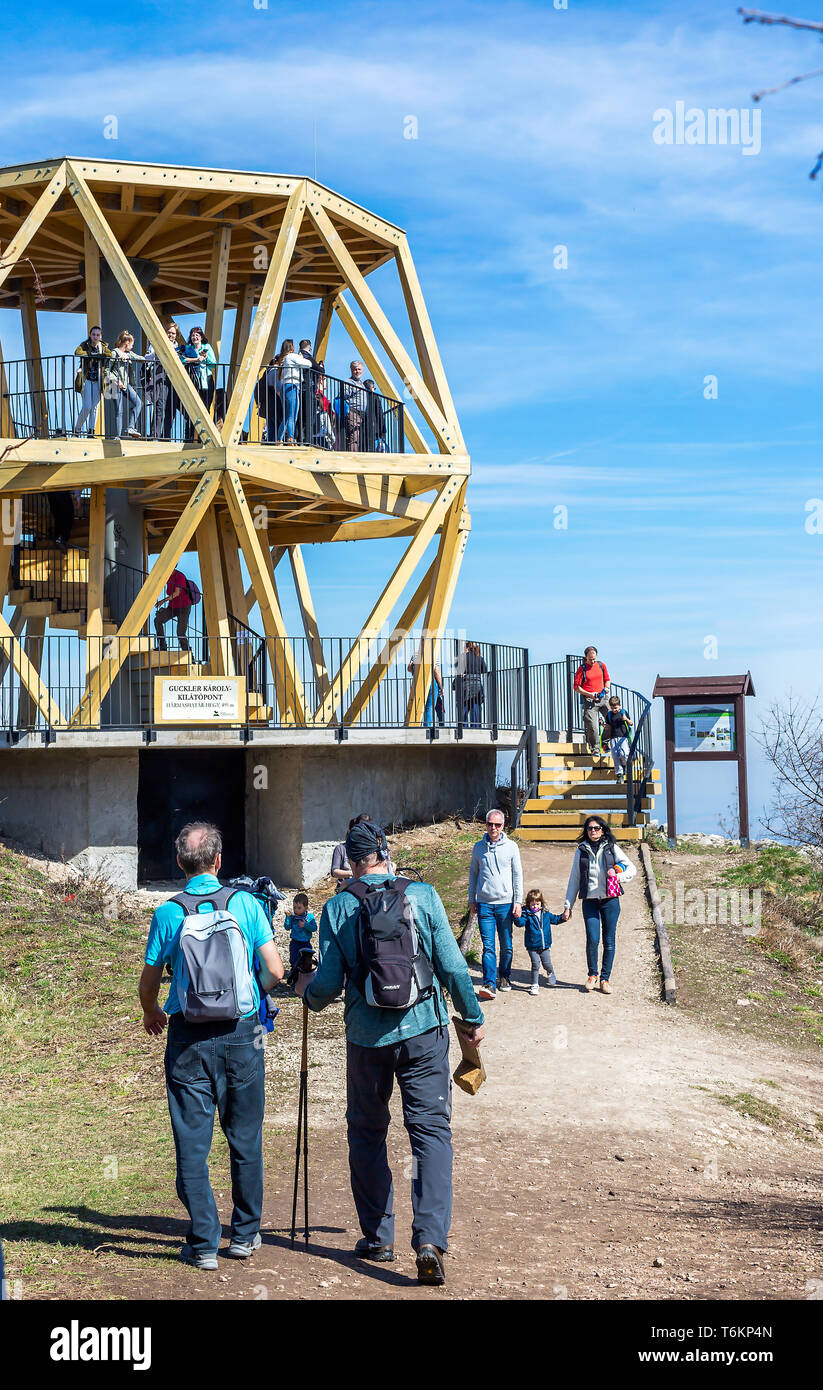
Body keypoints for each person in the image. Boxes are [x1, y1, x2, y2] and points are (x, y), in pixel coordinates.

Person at [296, 818, 484, 1286]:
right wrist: (473, 1019)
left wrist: (307, 995)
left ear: (349, 861)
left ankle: (379, 1236)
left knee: (366, 1131)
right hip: (424, 1030)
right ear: (384, 850)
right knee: (430, 1132)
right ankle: (429, 1240)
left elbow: (327, 984)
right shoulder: (421, 896)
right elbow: (453, 967)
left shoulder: (336, 909)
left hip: (366, 1039)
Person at [139, 822, 284, 1269]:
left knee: (192, 1143)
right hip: (243, 1035)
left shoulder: (168, 913)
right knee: (245, 1137)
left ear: (179, 862)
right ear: (218, 861)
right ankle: (244, 1235)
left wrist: (152, 1012)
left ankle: (203, 1243)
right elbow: (276, 971)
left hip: (187, 1039)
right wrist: (254, 999)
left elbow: (147, 983)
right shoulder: (245, 903)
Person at [560, 815, 637, 994]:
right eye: (589, 828)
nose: (593, 831)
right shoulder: (581, 851)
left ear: (603, 830)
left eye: (596, 828)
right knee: (593, 939)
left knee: (609, 940)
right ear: (586, 831)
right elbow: (575, 879)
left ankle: (605, 979)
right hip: (590, 902)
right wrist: (568, 905)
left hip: (610, 901)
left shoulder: (611, 848)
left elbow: (631, 868)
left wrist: (617, 877)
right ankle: (592, 975)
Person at [468, 809, 523, 1000]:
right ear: (486, 824)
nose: (493, 828)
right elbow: (473, 874)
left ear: (503, 826)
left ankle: (504, 976)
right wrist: (471, 899)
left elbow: (517, 876)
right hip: (484, 904)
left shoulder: (512, 847)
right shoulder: (478, 847)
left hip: (506, 904)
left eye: (497, 825)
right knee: (488, 946)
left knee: (506, 945)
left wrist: (518, 901)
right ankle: (489, 983)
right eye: (490, 824)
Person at [145, 320, 185, 440]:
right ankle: (154, 435)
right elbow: (147, 358)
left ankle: (166, 437)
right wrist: (156, 353)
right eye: (169, 332)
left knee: (171, 410)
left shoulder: (178, 348)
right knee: (160, 407)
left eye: (173, 333)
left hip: (173, 381)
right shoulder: (157, 344)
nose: (171, 335)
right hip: (160, 379)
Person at [104, 330, 146, 440]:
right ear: (127, 343)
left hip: (126, 384)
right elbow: (106, 371)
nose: (132, 347)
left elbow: (142, 359)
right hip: (114, 385)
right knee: (119, 410)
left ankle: (131, 427)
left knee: (139, 403)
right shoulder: (114, 353)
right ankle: (117, 436)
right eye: (132, 345)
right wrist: (116, 381)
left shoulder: (129, 354)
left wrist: (130, 357)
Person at [522, 889, 562, 995]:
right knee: (535, 964)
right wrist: (516, 916)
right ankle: (534, 985)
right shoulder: (527, 914)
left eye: (537, 904)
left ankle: (550, 972)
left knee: (547, 963)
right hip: (532, 946)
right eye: (532, 904)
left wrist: (564, 917)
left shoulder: (546, 914)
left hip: (544, 946)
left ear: (541, 903)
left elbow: (556, 919)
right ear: (528, 904)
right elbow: (520, 923)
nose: (535, 906)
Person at [573, 646, 611, 756]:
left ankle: (604, 743)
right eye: (590, 659)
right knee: (592, 725)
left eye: (594, 658)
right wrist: (590, 694)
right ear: (586, 657)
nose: (593, 661)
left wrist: (607, 688)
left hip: (603, 698)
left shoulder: (601, 665)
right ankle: (595, 748)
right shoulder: (582, 669)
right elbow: (576, 688)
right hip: (590, 700)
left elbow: (607, 679)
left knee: (612, 719)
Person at [73, 325, 111, 436]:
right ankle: (78, 428)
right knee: (87, 407)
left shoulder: (103, 346)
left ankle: (91, 431)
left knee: (95, 407)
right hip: (87, 379)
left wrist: (99, 355)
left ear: (101, 336)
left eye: (97, 335)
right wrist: (90, 355)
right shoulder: (85, 345)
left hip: (98, 380)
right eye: (93, 334)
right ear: (90, 335)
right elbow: (77, 352)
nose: (95, 337)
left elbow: (109, 354)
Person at [181, 326, 217, 440]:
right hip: (193, 381)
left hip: (207, 380)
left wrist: (205, 358)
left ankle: (204, 437)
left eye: (197, 335)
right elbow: (181, 359)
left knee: (206, 409)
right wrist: (196, 359)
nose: (194, 337)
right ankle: (189, 437)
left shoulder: (207, 347)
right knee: (191, 409)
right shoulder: (188, 348)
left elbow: (214, 364)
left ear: (201, 337)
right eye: (192, 335)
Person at [274, 339, 311, 444]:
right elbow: (308, 364)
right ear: (292, 346)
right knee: (292, 415)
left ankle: (279, 439)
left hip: (284, 387)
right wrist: (301, 357)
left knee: (286, 416)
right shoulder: (292, 356)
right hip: (292, 387)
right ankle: (290, 438)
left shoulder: (283, 359)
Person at [154, 567, 194, 652]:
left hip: (184, 607)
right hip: (172, 606)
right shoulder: (167, 576)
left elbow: (177, 593)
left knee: (180, 633)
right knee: (158, 620)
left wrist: (162, 601)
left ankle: (189, 655)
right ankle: (162, 646)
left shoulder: (179, 576)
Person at [455, 641, 488, 727]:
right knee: (475, 705)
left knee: (464, 705)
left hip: (466, 683)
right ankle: (475, 726)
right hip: (477, 684)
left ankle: (464, 726)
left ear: (466, 648)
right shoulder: (479, 657)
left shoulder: (463, 657)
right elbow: (484, 669)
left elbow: (457, 667)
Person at [407, 653, 444, 728]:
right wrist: (441, 686)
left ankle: (414, 725)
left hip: (417, 683)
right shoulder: (433, 653)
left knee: (417, 706)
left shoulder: (415, 654)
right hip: (430, 682)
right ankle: (428, 727)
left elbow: (409, 668)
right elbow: (436, 671)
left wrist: (416, 672)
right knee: (429, 707)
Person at [284, 891, 317, 973]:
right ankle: (294, 972)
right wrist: (288, 918)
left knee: (306, 960)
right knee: (294, 958)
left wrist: (305, 925)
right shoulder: (293, 917)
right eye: (294, 907)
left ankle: (306, 974)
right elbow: (287, 927)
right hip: (295, 942)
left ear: (306, 908)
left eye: (299, 908)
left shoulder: (309, 917)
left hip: (305, 943)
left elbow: (314, 928)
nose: (296, 910)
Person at [603, 695, 633, 782]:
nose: (614, 710)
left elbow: (631, 723)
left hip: (623, 736)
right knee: (615, 756)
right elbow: (608, 727)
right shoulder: (609, 715)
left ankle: (624, 765)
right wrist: (603, 724)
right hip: (613, 737)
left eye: (615, 708)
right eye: (612, 708)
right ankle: (619, 774)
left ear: (619, 705)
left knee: (624, 753)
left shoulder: (623, 712)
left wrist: (626, 719)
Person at [342, 360, 368, 450]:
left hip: (362, 415)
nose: (357, 371)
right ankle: (353, 456)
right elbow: (343, 395)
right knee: (354, 436)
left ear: (362, 370)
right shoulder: (348, 381)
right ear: (351, 370)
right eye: (355, 369)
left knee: (359, 437)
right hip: (353, 412)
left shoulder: (362, 384)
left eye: (359, 369)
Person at [364, 379, 387, 452]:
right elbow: (380, 414)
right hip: (374, 429)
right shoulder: (375, 397)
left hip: (362, 428)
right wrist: (383, 430)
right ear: (372, 388)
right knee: (374, 449)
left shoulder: (362, 398)